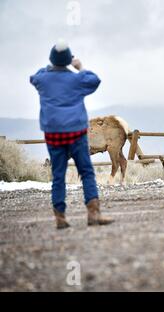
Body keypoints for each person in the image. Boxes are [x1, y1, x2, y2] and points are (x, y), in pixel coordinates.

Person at [30, 39, 114, 229]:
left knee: (58, 174)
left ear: (52, 59)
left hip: (53, 135)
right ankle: (93, 214)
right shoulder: (77, 79)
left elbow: (34, 77)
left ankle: (60, 216)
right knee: (86, 171)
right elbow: (95, 80)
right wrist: (80, 67)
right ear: (69, 60)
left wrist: (50, 66)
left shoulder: (43, 79)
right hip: (76, 133)